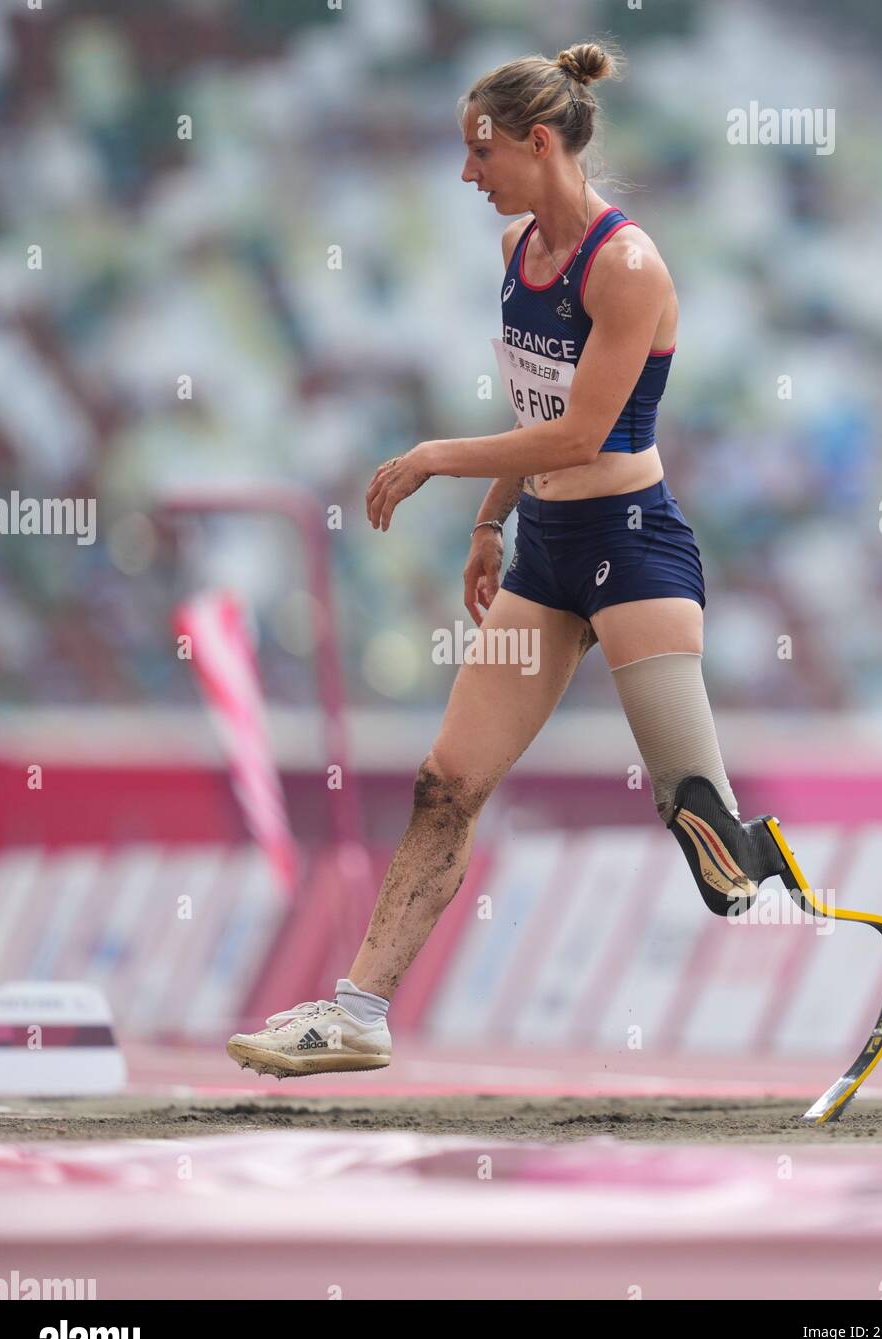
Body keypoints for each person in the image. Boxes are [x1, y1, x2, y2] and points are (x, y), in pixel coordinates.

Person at [227, 40, 789, 1080]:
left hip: (633, 547)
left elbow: (582, 436)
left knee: (708, 843)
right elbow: (532, 409)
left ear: (539, 143)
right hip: (548, 549)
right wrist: (492, 521)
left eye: (479, 152)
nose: (465, 173)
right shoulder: (514, 256)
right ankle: (358, 1013)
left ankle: (788, 883)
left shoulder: (627, 265)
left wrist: (441, 457)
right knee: (446, 783)